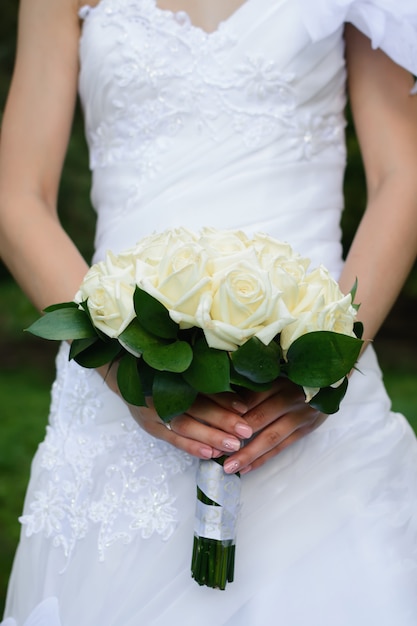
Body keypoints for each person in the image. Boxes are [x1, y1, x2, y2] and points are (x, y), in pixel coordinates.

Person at [1, 0, 417, 624]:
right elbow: (16, 194)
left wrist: (331, 356)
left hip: (307, 401)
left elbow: (401, 176)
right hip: (119, 395)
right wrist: (122, 370)